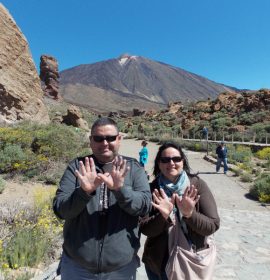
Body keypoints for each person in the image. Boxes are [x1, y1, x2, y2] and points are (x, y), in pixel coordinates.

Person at [53, 117, 152, 280]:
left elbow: (144, 206)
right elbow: (61, 210)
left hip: (121, 269)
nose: (105, 143)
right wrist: (84, 192)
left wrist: (120, 190)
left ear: (119, 139)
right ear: (91, 141)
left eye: (110, 138)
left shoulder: (134, 168)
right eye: (98, 138)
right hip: (77, 267)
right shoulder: (77, 168)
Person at [140, 141, 220, 280]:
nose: (171, 163)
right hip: (158, 263)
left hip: (190, 260)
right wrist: (163, 216)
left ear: (183, 161)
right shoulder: (152, 189)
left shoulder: (196, 185)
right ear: (159, 164)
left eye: (176, 159)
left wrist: (190, 214)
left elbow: (212, 225)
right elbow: (145, 229)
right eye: (165, 160)